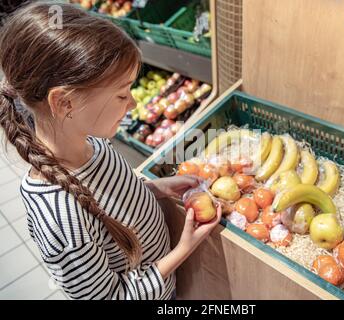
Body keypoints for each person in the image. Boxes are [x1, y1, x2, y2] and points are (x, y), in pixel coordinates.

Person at [0, 1, 221, 300]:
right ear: (65, 103)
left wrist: (155, 188)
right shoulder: (60, 216)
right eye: (121, 94)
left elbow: (113, 197)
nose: (131, 105)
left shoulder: (91, 142)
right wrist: (182, 250)